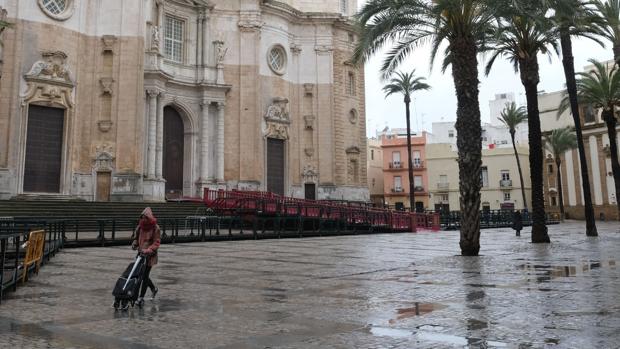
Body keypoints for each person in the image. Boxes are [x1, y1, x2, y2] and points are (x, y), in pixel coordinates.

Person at [131, 207, 161, 307]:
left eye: (145, 218)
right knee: (140, 275)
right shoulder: (140, 227)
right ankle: (153, 288)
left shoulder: (155, 228)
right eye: (142, 217)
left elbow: (156, 242)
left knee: (144, 275)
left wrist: (149, 250)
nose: (143, 220)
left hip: (150, 255)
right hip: (140, 254)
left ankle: (141, 297)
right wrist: (135, 244)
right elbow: (135, 237)